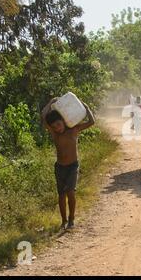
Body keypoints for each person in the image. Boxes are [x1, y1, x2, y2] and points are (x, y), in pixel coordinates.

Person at [41, 98, 95, 230]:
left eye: (58, 125)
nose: (57, 128)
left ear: (64, 121)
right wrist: (50, 102)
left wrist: (86, 107)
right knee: (61, 195)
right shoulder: (55, 134)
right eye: (54, 127)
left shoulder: (74, 130)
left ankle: (71, 219)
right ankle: (63, 221)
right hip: (59, 167)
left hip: (72, 167)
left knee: (70, 192)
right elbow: (43, 118)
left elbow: (92, 122)